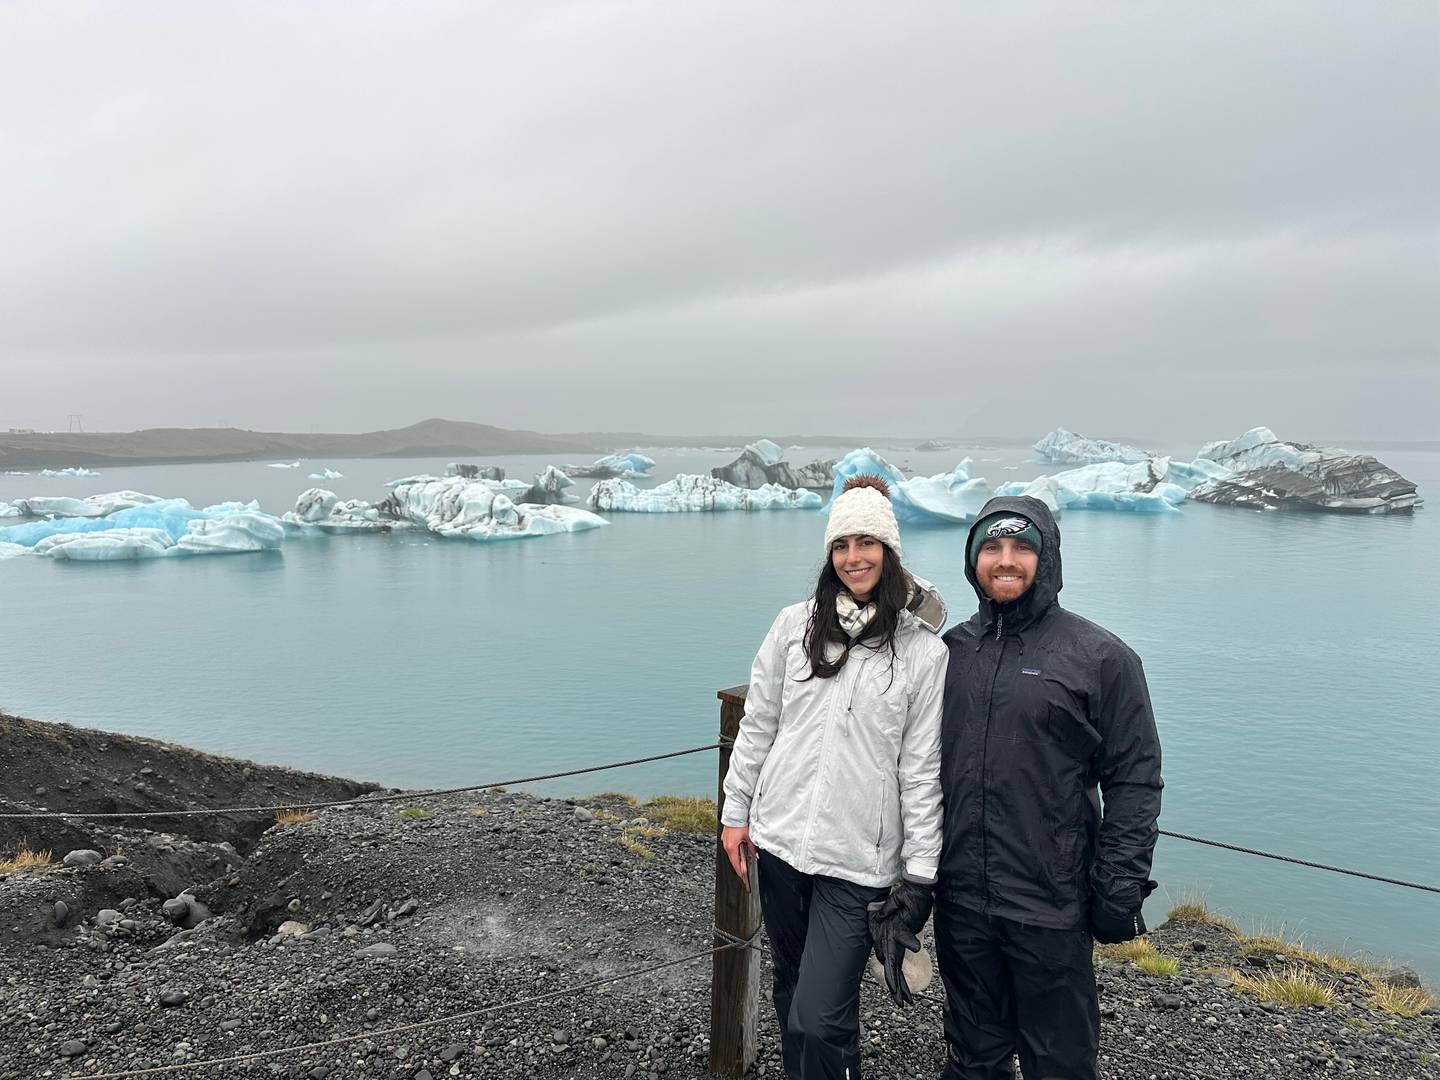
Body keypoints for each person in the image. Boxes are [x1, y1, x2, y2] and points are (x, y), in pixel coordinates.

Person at [873, 494, 1163, 1080]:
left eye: (1021, 547)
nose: (1005, 560)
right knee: (972, 1057)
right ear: (973, 560)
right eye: (992, 548)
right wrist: (910, 884)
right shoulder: (950, 653)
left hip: (1050, 906)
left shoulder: (1101, 658)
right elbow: (915, 772)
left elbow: (1134, 778)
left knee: (1059, 1062)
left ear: (1046, 557)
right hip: (963, 902)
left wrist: (1120, 881)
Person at [719, 474, 948, 1080]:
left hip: (858, 862)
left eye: (866, 542)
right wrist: (735, 814)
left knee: (819, 1019)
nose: (854, 557)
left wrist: (920, 874)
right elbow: (759, 725)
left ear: (889, 551)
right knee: (792, 990)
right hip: (782, 843)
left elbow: (921, 771)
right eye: (842, 544)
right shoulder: (793, 627)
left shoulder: (922, 652)